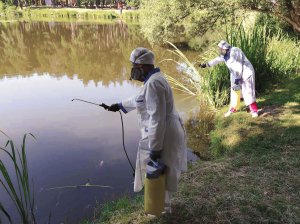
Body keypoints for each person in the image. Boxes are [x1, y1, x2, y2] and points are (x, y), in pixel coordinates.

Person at [107, 47, 187, 214]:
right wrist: (119, 105)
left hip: (164, 134)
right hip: (166, 130)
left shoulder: (153, 83)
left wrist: (155, 148)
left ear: (141, 66)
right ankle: (161, 207)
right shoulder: (154, 79)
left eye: (133, 66)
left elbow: (156, 118)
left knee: (160, 171)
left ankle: (161, 210)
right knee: (160, 171)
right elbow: (140, 98)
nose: (132, 70)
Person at [200, 40, 259, 118]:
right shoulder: (224, 55)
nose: (219, 50)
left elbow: (238, 66)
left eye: (220, 49)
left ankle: (254, 110)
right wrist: (206, 65)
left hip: (246, 72)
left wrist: (237, 79)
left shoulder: (235, 51)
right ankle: (233, 108)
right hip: (235, 74)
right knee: (234, 91)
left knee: (248, 91)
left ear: (225, 48)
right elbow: (217, 60)